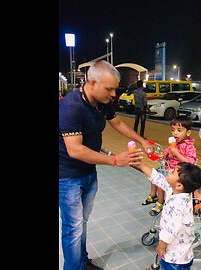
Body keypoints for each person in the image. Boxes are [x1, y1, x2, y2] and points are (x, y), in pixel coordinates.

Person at [59, 60, 152, 270]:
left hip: (88, 172)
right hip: (67, 177)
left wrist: (142, 140)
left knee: (81, 222)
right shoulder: (70, 107)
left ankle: (82, 261)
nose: (113, 94)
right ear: (92, 82)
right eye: (109, 88)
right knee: (72, 228)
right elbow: (75, 150)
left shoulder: (103, 101)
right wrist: (115, 160)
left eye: (114, 89)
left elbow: (117, 121)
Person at [132, 161, 201, 270]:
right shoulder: (176, 190)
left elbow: (171, 229)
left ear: (179, 185)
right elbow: (158, 178)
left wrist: (161, 246)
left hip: (176, 258)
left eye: (174, 172)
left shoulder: (179, 205)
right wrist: (140, 164)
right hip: (179, 252)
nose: (170, 170)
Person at [142, 115, 197, 216]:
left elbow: (189, 162)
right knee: (154, 175)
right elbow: (166, 152)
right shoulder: (174, 143)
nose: (175, 133)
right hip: (167, 168)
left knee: (160, 181)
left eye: (179, 130)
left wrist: (175, 152)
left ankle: (160, 202)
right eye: (173, 130)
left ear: (188, 133)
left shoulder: (189, 147)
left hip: (178, 173)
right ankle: (153, 196)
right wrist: (162, 154)